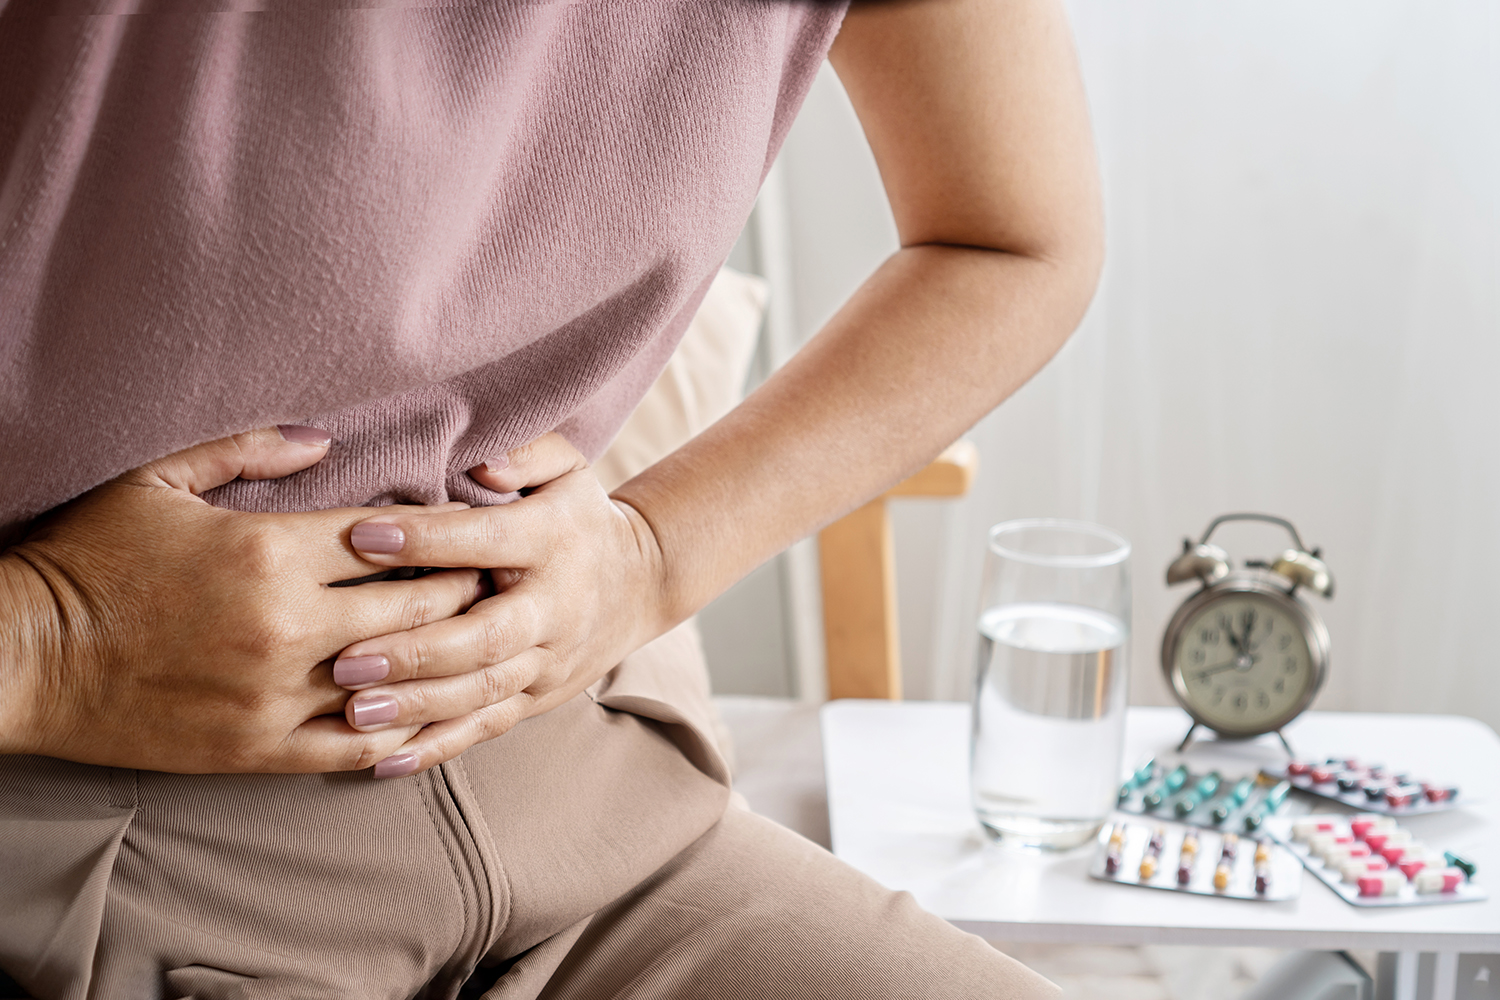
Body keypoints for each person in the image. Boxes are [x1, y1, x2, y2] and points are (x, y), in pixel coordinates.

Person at [0, 0, 1103, 996]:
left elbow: (1013, 240)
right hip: (94, 851)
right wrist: (49, 647)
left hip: (589, 817)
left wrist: (651, 557)